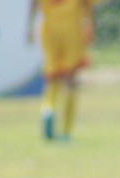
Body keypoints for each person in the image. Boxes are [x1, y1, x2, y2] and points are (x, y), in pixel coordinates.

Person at [27, 0, 97, 141]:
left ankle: (48, 109)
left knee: (52, 77)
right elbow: (87, 5)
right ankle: (66, 132)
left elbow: (33, 4)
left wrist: (29, 28)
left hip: (48, 30)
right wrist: (91, 26)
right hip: (71, 29)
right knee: (70, 80)